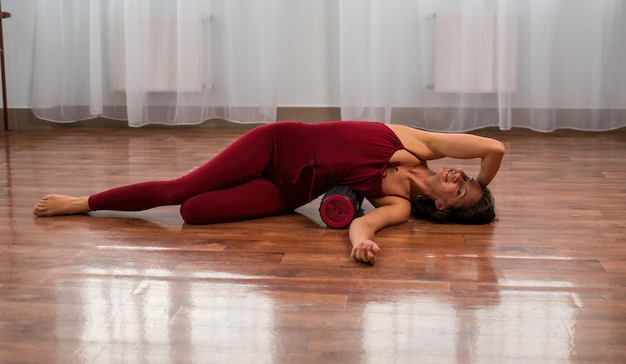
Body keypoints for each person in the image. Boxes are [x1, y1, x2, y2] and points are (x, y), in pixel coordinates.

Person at [33, 121, 505, 265]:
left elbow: (365, 222)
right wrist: (485, 185)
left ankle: (98, 203)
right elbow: (494, 146)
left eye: (461, 192)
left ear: (442, 209)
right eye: (465, 178)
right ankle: (84, 202)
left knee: (194, 213)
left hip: (287, 191)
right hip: (276, 144)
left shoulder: (398, 205)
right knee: (180, 190)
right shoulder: (419, 143)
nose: (458, 179)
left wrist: (358, 241)